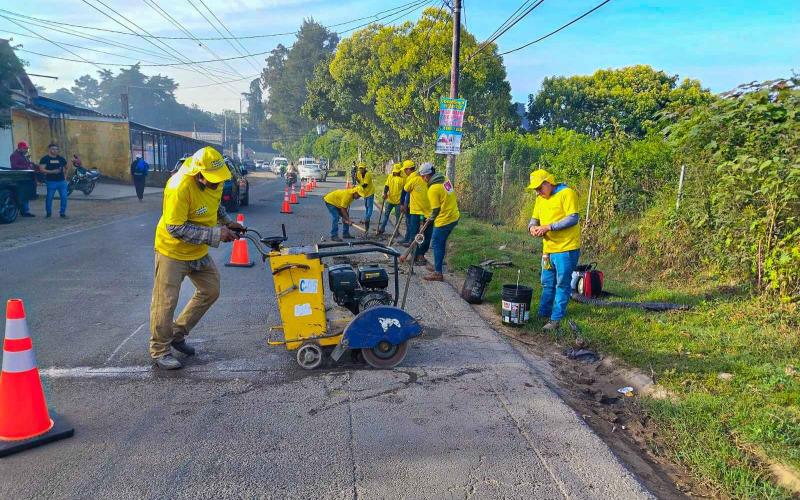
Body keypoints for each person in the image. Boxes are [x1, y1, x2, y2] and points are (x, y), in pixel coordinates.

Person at [149, 147, 244, 370]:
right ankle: (160, 350)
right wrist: (216, 234)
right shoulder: (178, 186)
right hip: (172, 251)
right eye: (212, 180)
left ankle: (176, 334)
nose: (216, 184)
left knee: (211, 290)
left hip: (198, 250)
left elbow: (215, 205)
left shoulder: (215, 182)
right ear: (198, 175)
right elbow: (175, 228)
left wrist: (227, 222)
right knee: (166, 301)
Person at [526, 168, 581, 331]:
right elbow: (534, 219)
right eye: (535, 189)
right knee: (547, 282)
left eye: (539, 188)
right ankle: (543, 314)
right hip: (548, 249)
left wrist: (549, 227)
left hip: (566, 248)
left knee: (562, 284)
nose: (537, 192)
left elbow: (573, 218)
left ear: (548, 182)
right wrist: (532, 228)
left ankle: (556, 319)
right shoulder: (540, 199)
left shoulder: (567, 193)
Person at [419, 162, 460, 281]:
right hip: (454, 214)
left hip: (444, 219)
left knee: (437, 243)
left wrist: (430, 218)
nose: (422, 179)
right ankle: (438, 265)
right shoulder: (445, 179)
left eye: (423, 176)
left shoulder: (433, 189)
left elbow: (435, 210)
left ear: (427, 175)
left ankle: (438, 272)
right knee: (441, 242)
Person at [400, 160, 432, 266]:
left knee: (427, 235)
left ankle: (421, 254)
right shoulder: (415, 180)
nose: (423, 177)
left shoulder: (433, 181)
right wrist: (403, 203)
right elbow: (405, 190)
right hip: (415, 212)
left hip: (429, 213)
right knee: (415, 234)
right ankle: (414, 255)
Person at [38, 143, 68, 219]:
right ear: (49, 150)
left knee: (64, 197)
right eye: (53, 149)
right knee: (49, 198)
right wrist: (52, 171)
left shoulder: (61, 158)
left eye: (56, 149)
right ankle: (48, 213)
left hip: (62, 181)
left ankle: (62, 213)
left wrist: (65, 177)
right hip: (51, 181)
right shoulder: (45, 159)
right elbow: (41, 169)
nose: (55, 150)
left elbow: (66, 167)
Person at [9, 141, 37, 217]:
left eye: (27, 148)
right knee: (22, 195)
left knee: (25, 195)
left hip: (25, 178)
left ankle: (25, 211)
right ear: (20, 148)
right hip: (20, 178)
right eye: (25, 148)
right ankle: (24, 211)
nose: (26, 150)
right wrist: (27, 167)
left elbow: (25, 164)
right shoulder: (14, 155)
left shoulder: (23, 155)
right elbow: (14, 166)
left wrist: (31, 164)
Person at [377, 163, 405, 235]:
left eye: (397, 171)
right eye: (395, 171)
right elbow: (387, 186)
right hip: (390, 199)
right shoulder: (390, 176)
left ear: (400, 171)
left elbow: (404, 191)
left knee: (398, 217)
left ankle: (396, 231)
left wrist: (403, 202)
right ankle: (382, 229)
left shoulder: (403, 179)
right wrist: (385, 193)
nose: (396, 172)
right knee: (386, 215)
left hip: (398, 201)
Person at [356, 162, 374, 231]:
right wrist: (356, 179)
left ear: (365, 168)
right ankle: (367, 221)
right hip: (365, 193)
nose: (361, 170)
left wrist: (358, 188)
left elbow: (365, 185)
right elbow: (359, 181)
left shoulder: (367, 174)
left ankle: (367, 219)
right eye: (360, 168)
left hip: (370, 192)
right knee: (366, 206)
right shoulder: (358, 173)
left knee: (369, 207)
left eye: (362, 168)